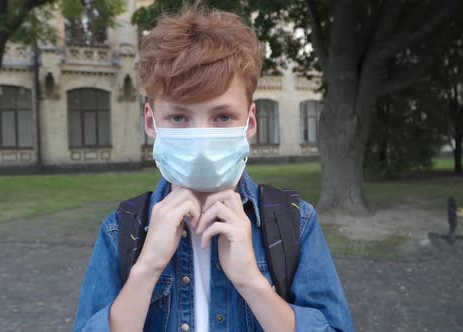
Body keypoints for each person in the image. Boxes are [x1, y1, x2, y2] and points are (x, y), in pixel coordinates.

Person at [73, 7, 354, 332]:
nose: (203, 144)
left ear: (249, 122)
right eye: (179, 117)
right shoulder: (120, 231)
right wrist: (147, 267)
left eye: (222, 117)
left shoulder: (295, 224)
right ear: (151, 122)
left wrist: (252, 281)